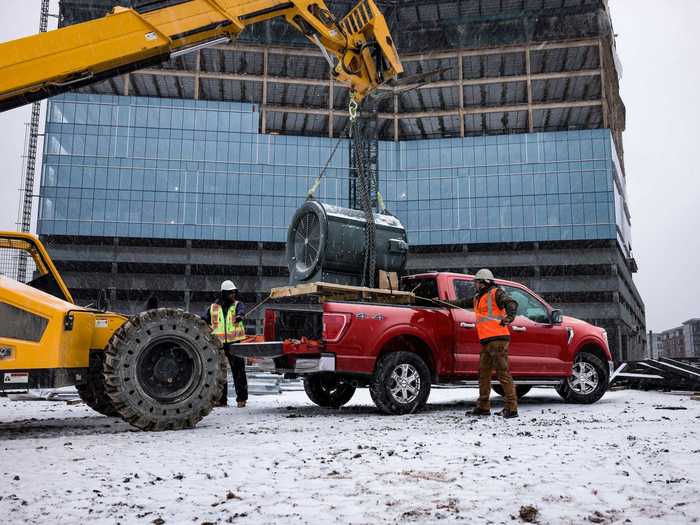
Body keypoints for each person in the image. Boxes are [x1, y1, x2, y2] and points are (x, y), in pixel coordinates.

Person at [468, 269, 519, 418]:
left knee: (503, 374)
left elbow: (511, 303)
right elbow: (461, 303)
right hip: (486, 341)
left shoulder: (496, 293)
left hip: (498, 339)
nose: (475, 285)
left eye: (477, 282)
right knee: (483, 374)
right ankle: (483, 406)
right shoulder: (478, 297)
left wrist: (509, 318)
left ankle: (512, 408)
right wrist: (442, 301)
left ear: (485, 282)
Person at [202, 280, 248, 408]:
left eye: (234, 292)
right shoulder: (212, 308)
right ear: (223, 294)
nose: (233, 295)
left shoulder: (238, 305)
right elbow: (203, 321)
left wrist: (239, 316)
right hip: (218, 344)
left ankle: (241, 399)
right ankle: (221, 400)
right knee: (220, 373)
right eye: (230, 293)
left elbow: (241, 312)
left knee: (239, 371)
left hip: (235, 343)